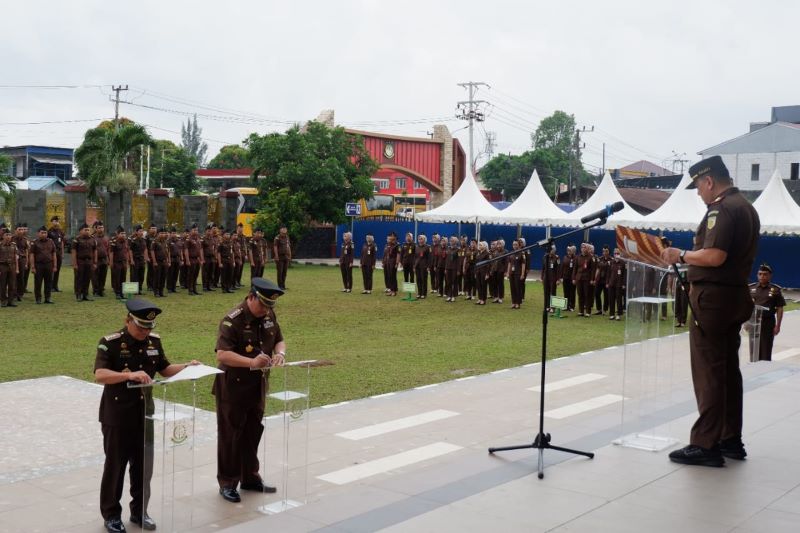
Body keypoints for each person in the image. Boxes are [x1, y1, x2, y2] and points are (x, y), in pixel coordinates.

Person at [661, 155, 760, 467]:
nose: (699, 194)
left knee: (710, 373)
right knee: (728, 370)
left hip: (714, 302)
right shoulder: (746, 207)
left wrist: (682, 254)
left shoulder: (721, 209)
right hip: (733, 298)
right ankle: (730, 438)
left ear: (708, 181)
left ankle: (706, 444)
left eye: (699, 188)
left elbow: (715, 255)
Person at [94, 298, 199, 533]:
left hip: (145, 415)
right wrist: (129, 375)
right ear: (128, 320)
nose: (145, 331)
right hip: (117, 416)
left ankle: (139, 511)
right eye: (141, 326)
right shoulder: (110, 343)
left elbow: (164, 368)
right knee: (116, 467)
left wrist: (187, 366)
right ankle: (111, 514)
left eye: (149, 327)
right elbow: (100, 375)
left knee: (143, 468)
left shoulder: (154, 341)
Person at [214, 278, 285, 503]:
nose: (265, 310)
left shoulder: (268, 315)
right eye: (262, 304)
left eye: (269, 306)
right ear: (251, 296)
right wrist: (251, 362)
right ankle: (227, 483)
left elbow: (279, 340)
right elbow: (222, 354)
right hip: (233, 388)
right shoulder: (232, 320)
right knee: (230, 436)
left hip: (258, 386)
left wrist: (280, 354)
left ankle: (250, 477)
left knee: (253, 432)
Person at [749, 263, 785, 361]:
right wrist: (746, 323)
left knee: (766, 349)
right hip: (754, 322)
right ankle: (753, 368)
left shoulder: (775, 290)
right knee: (753, 349)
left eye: (765, 274)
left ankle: (764, 369)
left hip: (767, 323)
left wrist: (778, 326)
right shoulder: (751, 288)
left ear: (770, 276)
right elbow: (746, 307)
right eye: (760, 274)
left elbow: (780, 308)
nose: (762, 276)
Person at [29, 225, 57, 304]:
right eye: (42, 233)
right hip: (38, 265)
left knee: (49, 282)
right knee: (38, 282)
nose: (44, 234)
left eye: (45, 233)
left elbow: (54, 254)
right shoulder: (34, 242)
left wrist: (55, 266)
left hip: (49, 264)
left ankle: (47, 298)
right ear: (38, 233)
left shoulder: (51, 242)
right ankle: (38, 298)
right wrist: (33, 266)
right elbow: (32, 255)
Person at [72, 223, 97, 302]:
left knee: (87, 278)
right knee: (79, 278)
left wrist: (95, 262)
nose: (87, 231)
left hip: (89, 261)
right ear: (80, 231)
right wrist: (75, 263)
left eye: (88, 230)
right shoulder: (76, 240)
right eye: (85, 230)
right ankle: (78, 294)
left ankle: (85, 294)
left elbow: (95, 251)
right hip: (80, 261)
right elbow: (73, 252)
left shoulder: (93, 239)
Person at [574, 243, 595, 317]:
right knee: (580, 295)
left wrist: (592, 279)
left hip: (587, 278)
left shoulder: (590, 257)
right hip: (579, 278)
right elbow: (575, 268)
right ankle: (581, 311)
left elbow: (593, 270)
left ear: (587, 249)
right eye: (582, 247)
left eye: (584, 247)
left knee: (587, 295)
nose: (583, 249)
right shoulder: (577, 257)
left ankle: (588, 311)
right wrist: (574, 278)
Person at [109, 227, 130, 300]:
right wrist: (111, 262)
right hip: (116, 262)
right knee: (117, 278)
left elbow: (127, 252)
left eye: (124, 233)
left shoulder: (126, 241)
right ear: (117, 234)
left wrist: (127, 262)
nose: (123, 235)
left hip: (123, 262)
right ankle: (117, 293)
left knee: (123, 278)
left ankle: (122, 293)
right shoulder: (114, 242)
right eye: (122, 233)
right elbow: (111, 252)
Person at [0, 228, 19, 307]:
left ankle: (11, 301)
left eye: (9, 235)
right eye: (6, 235)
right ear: (3, 236)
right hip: (2, 266)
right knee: (2, 285)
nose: (8, 236)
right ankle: (3, 301)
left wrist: (17, 268)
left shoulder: (14, 245)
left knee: (12, 284)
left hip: (12, 266)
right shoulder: (0, 245)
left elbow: (16, 257)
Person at [606, 248, 626, 321]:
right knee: (611, 299)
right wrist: (607, 282)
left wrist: (624, 284)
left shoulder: (623, 263)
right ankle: (612, 314)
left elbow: (624, 275)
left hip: (619, 284)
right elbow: (608, 274)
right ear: (613, 254)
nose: (616, 255)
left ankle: (618, 314)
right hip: (611, 284)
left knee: (619, 300)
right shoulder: (611, 262)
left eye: (618, 253)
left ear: (620, 254)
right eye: (615, 253)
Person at [12, 223, 30, 302]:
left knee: (21, 278)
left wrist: (26, 262)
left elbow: (26, 251)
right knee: (13, 277)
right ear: (15, 230)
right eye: (19, 229)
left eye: (22, 229)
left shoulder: (25, 240)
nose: (21, 231)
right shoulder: (11, 238)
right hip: (13, 260)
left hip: (22, 259)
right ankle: (13, 294)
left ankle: (20, 294)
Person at [150, 228, 170, 297]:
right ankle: (156, 292)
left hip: (164, 262)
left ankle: (161, 291)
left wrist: (168, 260)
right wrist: (154, 261)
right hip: (158, 262)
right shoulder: (154, 242)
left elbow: (167, 251)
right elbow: (152, 252)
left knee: (163, 277)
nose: (163, 234)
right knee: (157, 277)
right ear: (158, 234)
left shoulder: (165, 241)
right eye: (161, 233)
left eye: (164, 233)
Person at [47, 216, 65, 292]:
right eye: (54, 221)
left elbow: (62, 243)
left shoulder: (60, 231)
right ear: (51, 222)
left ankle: (55, 286)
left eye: (57, 221)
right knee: (52, 270)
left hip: (59, 252)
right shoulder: (49, 232)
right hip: (52, 253)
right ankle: (50, 286)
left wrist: (62, 253)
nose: (56, 222)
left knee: (57, 270)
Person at [129, 225, 148, 295]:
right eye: (140, 231)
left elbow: (145, 249)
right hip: (135, 259)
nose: (141, 232)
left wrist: (146, 258)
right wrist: (131, 260)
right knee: (134, 275)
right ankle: (134, 291)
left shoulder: (143, 240)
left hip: (141, 259)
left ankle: (139, 289)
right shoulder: (133, 240)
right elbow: (130, 250)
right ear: (136, 232)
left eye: (142, 231)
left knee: (141, 275)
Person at [540, 245, 560, 311]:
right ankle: (547, 306)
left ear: (554, 250)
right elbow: (543, 268)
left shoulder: (557, 258)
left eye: (551, 249)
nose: (550, 251)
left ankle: (552, 307)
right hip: (546, 278)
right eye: (549, 249)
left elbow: (558, 270)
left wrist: (558, 279)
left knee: (552, 292)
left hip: (553, 278)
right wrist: (542, 277)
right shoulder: (545, 257)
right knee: (546, 292)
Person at [93, 222, 110, 297]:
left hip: (104, 259)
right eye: (99, 228)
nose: (101, 229)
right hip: (96, 260)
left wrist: (108, 258)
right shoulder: (93, 237)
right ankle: (96, 291)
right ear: (96, 229)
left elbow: (108, 248)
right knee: (95, 276)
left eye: (102, 227)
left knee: (103, 276)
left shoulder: (106, 238)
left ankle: (101, 290)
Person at [186, 224, 203, 296]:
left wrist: (201, 259)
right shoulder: (188, 239)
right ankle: (190, 290)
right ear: (191, 231)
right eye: (194, 230)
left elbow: (199, 250)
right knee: (191, 275)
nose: (196, 231)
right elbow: (186, 250)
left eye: (196, 230)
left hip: (197, 259)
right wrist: (187, 260)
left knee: (195, 275)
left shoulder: (198, 239)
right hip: (191, 259)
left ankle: (194, 289)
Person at [593, 245, 611, 315]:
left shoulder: (611, 260)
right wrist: (595, 279)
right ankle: (599, 309)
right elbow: (597, 269)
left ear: (609, 252)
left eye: (606, 251)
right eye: (603, 251)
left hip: (607, 280)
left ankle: (605, 310)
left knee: (606, 295)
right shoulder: (600, 259)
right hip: (599, 280)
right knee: (597, 294)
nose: (604, 252)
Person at [508, 239, 526, 309]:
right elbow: (509, 263)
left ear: (519, 245)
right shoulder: (511, 253)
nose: (514, 246)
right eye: (513, 244)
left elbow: (523, 264)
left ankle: (518, 303)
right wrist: (508, 272)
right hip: (511, 273)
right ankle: (513, 302)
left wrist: (522, 274)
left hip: (518, 273)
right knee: (512, 288)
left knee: (518, 288)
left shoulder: (522, 253)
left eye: (516, 244)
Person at [217, 229, 235, 293]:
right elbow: (218, 253)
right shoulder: (221, 243)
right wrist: (219, 263)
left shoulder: (231, 243)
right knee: (224, 275)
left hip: (230, 260)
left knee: (230, 274)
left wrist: (233, 261)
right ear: (223, 235)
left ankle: (228, 288)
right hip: (223, 260)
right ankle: (224, 288)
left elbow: (232, 252)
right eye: (226, 234)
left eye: (229, 234)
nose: (228, 235)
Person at [273, 225, 291, 290]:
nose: (284, 230)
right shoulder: (277, 238)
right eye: (283, 229)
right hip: (280, 257)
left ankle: (283, 285)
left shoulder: (287, 237)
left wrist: (290, 255)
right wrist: (276, 256)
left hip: (286, 256)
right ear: (280, 230)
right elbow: (275, 247)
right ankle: (279, 286)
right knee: (280, 272)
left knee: (284, 272)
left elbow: (288, 246)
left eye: (285, 229)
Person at [561, 244, 577, 311]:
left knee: (572, 292)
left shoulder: (576, 258)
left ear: (573, 251)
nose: (568, 251)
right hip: (565, 277)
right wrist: (561, 277)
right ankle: (566, 306)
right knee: (566, 292)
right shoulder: (565, 257)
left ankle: (571, 306)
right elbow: (562, 267)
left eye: (570, 250)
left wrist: (574, 278)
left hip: (572, 278)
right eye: (567, 250)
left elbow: (576, 269)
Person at [382, 232, 400, 296]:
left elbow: (398, 254)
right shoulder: (388, 245)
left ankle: (394, 291)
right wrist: (383, 262)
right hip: (388, 262)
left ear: (394, 238)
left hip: (393, 262)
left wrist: (397, 263)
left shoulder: (397, 245)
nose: (390, 239)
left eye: (392, 238)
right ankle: (391, 290)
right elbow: (385, 254)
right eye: (389, 238)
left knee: (393, 277)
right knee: (389, 276)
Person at [474, 241, 491, 305]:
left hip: (484, 271)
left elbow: (488, 264)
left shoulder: (487, 253)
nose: (479, 246)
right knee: (479, 285)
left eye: (481, 245)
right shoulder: (478, 253)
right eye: (479, 245)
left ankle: (483, 299)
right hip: (478, 271)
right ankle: (479, 298)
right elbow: (476, 263)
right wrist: (475, 272)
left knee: (483, 285)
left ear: (484, 246)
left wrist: (487, 273)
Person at [413, 234, 430, 298]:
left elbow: (429, 257)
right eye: (419, 239)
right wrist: (414, 266)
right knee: (418, 280)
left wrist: (428, 266)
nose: (420, 240)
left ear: (425, 240)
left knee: (424, 280)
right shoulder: (416, 247)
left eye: (421, 239)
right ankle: (419, 293)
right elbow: (415, 257)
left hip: (424, 266)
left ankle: (424, 294)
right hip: (417, 266)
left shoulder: (428, 247)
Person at [201, 224, 217, 292]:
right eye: (208, 231)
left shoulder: (212, 239)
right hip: (206, 258)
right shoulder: (203, 239)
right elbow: (201, 249)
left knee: (211, 272)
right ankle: (204, 286)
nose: (209, 232)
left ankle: (209, 286)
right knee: (205, 273)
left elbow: (215, 248)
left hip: (212, 258)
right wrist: (202, 259)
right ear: (205, 231)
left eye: (210, 231)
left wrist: (215, 257)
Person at [491, 239, 507, 304]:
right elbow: (492, 261)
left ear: (503, 245)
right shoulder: (495, 252)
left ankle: (500, 297)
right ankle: (495, 297)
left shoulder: (505, 252)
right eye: (497, 244)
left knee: (500, 284)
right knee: (494, 283)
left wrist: (505, 271)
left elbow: (506, 262)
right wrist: (491, 270)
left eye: (500, 244)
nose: (498, 245)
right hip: (494, 270)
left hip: (501, 270)